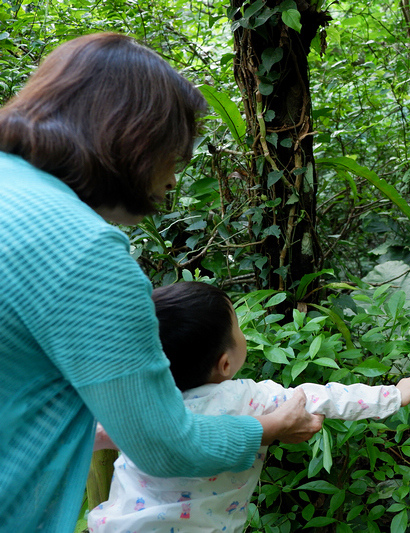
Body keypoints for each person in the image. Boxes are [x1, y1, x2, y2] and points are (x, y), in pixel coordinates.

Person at [0, 33, 322, 532]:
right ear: (134, 138)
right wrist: (269, 429)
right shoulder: (84, 250)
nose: (172, 181)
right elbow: (164, 446)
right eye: (175, 156)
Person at [88, 281, 410, 532]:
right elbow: (326, 396)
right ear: (225, 363)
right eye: (238, 327)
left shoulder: (133, 405)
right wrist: (394, 394)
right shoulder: (254, 401)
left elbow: (94, 433)